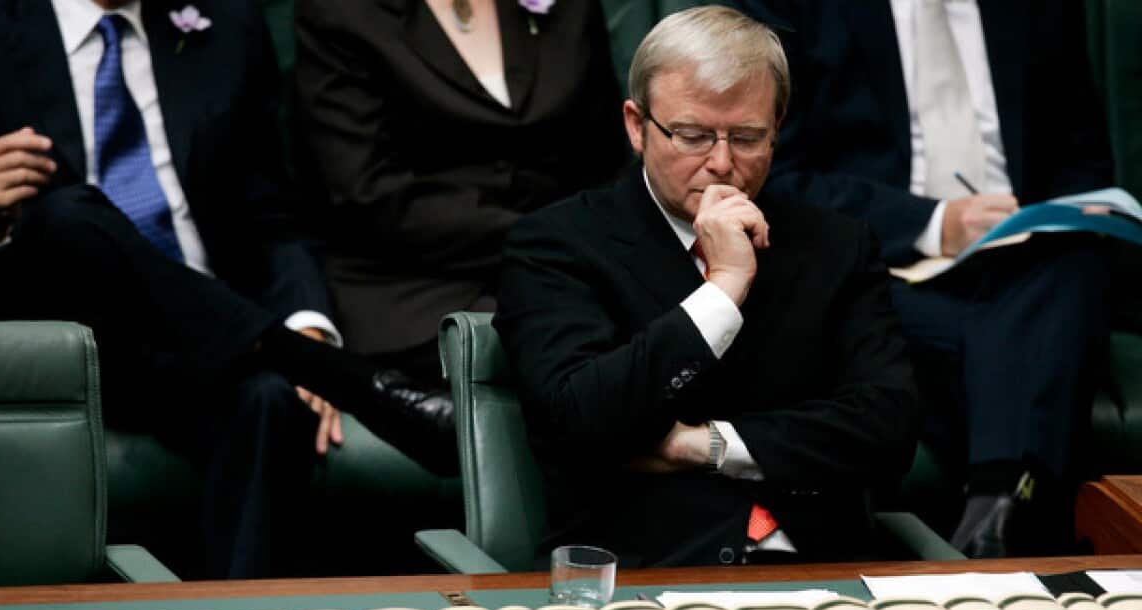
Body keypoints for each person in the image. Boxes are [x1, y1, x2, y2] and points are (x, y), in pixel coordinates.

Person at [0, 0, 455, 579]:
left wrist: (306, 318)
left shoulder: (224, 24)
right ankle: (340, 377)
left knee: (268, 401)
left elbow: (269, 216)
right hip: (63, 334)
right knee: (65, 216)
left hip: (204, 342)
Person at [493, 5, 919, 568]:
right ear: (636, 126)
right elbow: (579, 420)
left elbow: (887, 430)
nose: (722, 163)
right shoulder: (558, 244)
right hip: (643, 576)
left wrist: (709, 446)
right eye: (693, 135)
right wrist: (723, 291)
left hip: (821, 568)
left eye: (747, 137)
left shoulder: (836, 246)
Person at [740, 0, 1113, 556]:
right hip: (887, 261)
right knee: (1018, 335)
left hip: (1027, 261)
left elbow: (1082, 156)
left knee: (1070, 268)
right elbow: (778, 176)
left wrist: (1065, 212)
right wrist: (937, 223)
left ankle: (989, 512)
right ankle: (1012, 506)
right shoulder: (796, 8)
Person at [294, 0, 627, 383]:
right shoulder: (342, 13)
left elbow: (605, 157)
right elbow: (365, 195)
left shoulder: (568, 7)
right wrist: (549, 239)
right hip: (420, 284)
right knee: (573, 341)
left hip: (571, 263)